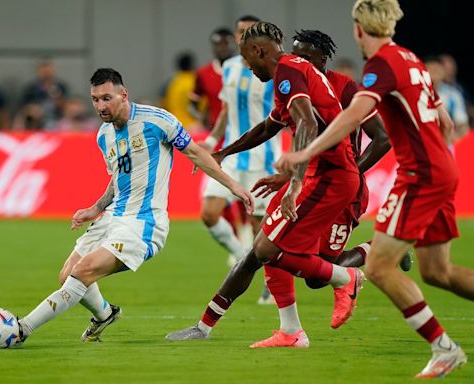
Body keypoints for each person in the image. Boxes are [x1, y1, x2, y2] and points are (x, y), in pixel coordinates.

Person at [275, 0, 471, 378]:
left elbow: (355, 115)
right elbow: (445, 122)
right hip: (442, 167)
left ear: (357, 29)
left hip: (421, 174)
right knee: (438, 272)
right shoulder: (411, 59)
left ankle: (444, 348)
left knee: (380, 267)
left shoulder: (381, 65)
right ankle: (443, 348)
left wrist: (308, 150)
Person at [15, 68, 254, 344]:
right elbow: (118, 179)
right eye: (95, 99)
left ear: (123, 94)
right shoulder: (103, 136)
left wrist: (233, 186)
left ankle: (23, 329)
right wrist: (96, 208)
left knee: (82, 272)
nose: (100, 106)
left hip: (144, 223)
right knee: (67, 274)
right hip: (113, 216)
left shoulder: (157, 121)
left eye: (106, 98)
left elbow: (195, 153)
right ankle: (105, 314)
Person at [166, 22, 365, 342]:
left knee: (270, 250)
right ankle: (280, 330)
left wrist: (295, 182)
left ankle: (345, 276)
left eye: (246, 58)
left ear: (259, 51)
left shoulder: (288, 71)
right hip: (317, 172)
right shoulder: (291, 71)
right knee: (260, 251)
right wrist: (224, 153)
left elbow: (308, 123)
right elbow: (269, 126)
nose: (246, 65)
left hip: (330, 177)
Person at [247, 28, 407, 348]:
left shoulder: (346, 87)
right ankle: (291, 329)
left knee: (317, 274)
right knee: (295, 257)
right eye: (294, 54)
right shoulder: (294, 81)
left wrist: (351, 171)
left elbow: (383, 138)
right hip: (313, 181)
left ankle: (380, 249)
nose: (297, 59)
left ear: (323, 57)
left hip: (340, 185)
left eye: (305, 55)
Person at [198, 15, 282, 303]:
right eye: (240, 32)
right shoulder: (230, 68)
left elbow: (284, 114)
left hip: (264, 157)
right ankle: (239, 255)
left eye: (248, 32)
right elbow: (225, 110)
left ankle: (271, 285)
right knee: (209, 213)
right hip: (232, 156)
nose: (242, 36)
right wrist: (211, 140)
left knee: (262, 231)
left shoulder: (272, 69)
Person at [189, 27, 236, 130]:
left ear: (234, 45)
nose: (222, 48)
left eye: (226, 44)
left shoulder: (246, 70)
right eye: (218, 44)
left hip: (243, 131)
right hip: (215, 131)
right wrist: (202, 118)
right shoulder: (204, 73)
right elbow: (194, 100)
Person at [424, 56, 469, 143]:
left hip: (449, 142)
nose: (434, 73)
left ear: (443, 72)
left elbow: (463, 125)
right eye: (431, 69)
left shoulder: (453, 95)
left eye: (437, 70)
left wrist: (456, 141)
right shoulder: (416, 92)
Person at [21, 59, 68, 129]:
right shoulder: (31, 89)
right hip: (36, 119)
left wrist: (57, 99)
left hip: (56, 118)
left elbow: (66, 106)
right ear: (38, 72)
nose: (47, 74)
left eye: (48, 71)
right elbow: (24, 107)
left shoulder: (61, 87)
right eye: (44, 71)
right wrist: (33, 110)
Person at [161, 52, 202, 132]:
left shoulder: (171, 82)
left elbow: (163, 104)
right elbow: (202, 106)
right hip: (193, 127)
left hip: (173, 126)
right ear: (192, 65)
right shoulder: (195, 81)